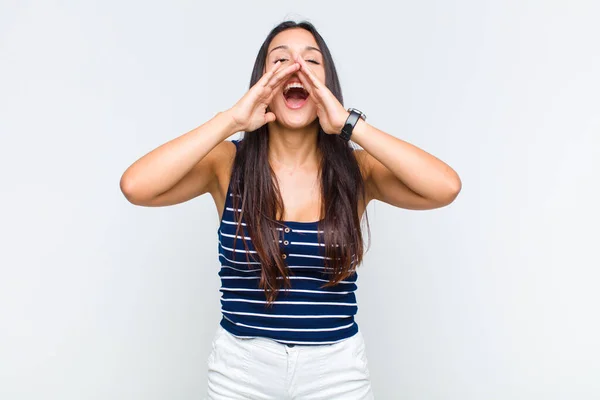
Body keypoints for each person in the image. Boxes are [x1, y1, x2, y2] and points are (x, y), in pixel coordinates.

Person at [120, 19, 461, 400]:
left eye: (311, 62)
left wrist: (349, 125)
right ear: (262, 81)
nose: (296, 68)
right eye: (281, 60)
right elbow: (136, 186)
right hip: (242, 371)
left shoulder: (358, 171)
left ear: (326, 86)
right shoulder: (226, 163)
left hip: (335, 371)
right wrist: (231, 120)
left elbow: (445, 187)